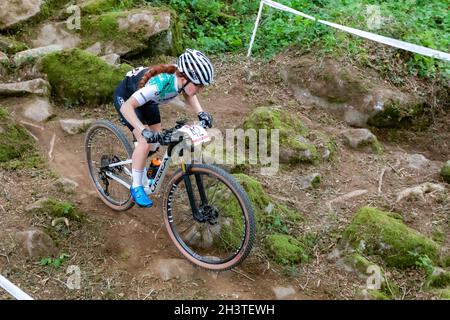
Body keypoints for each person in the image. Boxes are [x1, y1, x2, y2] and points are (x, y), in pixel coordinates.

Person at [113, 48, 214, 208]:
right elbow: (127, 107)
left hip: (148, 101)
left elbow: (189, 94)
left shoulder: (181, 80)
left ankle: (139, 158)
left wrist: (201, 113)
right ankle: (136, 186)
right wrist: (143, 131)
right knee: (145, 141)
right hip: (127, 98)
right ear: (185, 78)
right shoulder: (160, 85)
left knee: (155, 143)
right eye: (199, 85)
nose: (201, 90)